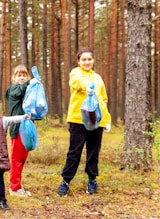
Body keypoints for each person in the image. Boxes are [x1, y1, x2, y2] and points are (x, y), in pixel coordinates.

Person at [57, 47, 111, 197]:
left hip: (96, 120)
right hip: (78, 119)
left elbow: (103, 100)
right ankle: (66, 181)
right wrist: (86, 87)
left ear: (93, 60)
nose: (87, 62)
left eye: (89, 59)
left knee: (93, 152)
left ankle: (92, 180)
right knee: (74, 152)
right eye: (84, 59)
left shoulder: (98, 78)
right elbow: (76, 82)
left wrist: (106, 119)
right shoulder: (75, 73)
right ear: (79, 61)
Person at [5, 65, 38, 197]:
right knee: (17, 158)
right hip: (17, 128)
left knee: (23, 158)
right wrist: (31, 82)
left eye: (24, 75)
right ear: (14, 77)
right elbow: (19, 91)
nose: (22, 77)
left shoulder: (28, 91)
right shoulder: (12, 89)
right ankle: (14, 188)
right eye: (19, 75)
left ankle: (17, 185)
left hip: (28, 129)